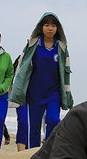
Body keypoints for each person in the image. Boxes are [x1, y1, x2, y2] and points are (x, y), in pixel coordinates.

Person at [9, 12, 73, 148]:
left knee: (53, 119)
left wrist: (68, 95)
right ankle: (33, 155)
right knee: (34, 127)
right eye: (46, 25)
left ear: (58, 28)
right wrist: (18, 89)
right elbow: (22, 68)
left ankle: (48, 148)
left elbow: (66, 74)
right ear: (41, 27)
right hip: (35, 92)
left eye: (53, 25)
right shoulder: (33, 45)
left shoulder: (61, 48)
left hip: (53, 93)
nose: (50, 28)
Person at [8, 54, 29, 151]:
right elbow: (12, 76)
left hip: (37, 97)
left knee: (33, 125)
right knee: (23, 122)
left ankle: (31, 151)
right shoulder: (22, 57)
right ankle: (21, 153)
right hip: (21, 97)